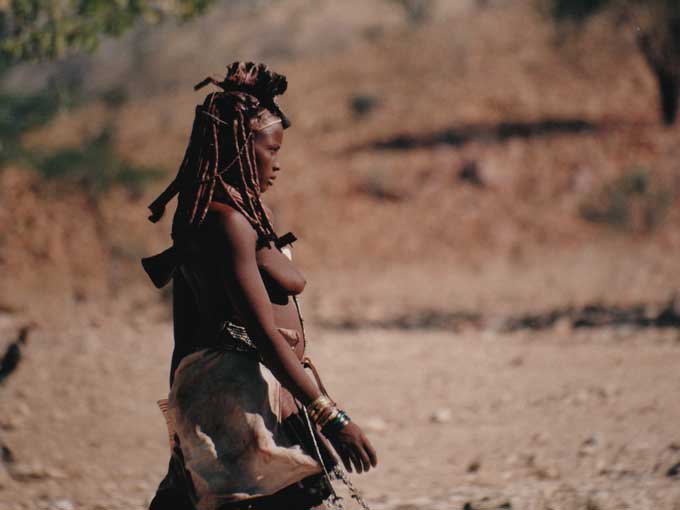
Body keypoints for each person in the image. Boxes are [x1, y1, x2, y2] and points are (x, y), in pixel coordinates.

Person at [142, 62, 377, 510]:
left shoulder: (227, 218)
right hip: (234, 398)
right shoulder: (225, 223)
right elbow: (265, 335)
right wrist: (332, 416)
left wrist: (180, 420)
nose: (278, 163)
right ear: (239, 147)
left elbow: (185, 331)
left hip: (243, 392)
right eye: (271, 149)